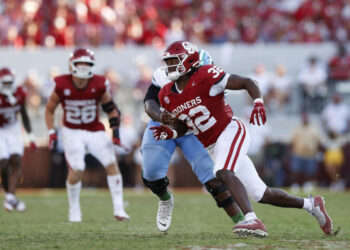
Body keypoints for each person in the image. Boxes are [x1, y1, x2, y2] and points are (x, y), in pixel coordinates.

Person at [151, 41, 333, 235]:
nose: (169, 66)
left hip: (230, 131)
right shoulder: (166, 94)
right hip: (213, 145)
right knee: (262, 194)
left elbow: (248, 82)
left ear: (189, 61)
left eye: (173, 61)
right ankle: (312, 204)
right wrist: (172, 132)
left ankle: (252, 221)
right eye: (167, 62)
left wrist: (258, 102)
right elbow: (184, 125)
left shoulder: (205, 75)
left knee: (222, 171)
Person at [142, 50, 248, 234]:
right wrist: (161, 116)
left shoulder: (212, 83)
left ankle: (242, 222)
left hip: (194, 130)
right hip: (164, 125)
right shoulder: (164, 76)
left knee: (213, 177)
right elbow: (149, 102)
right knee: (151, 172)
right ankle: (165, 199)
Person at [45, 48, 129, 222]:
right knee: (77, 169)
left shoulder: (98, 83)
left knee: (111, 162)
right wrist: (51, 131)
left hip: (94, 129)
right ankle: (74, 209)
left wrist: (116, 133)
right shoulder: (62, 84)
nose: (83, 67)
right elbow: (49, 109)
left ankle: (119, 209)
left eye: (87, 64)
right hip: (71, 130)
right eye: (79, 63)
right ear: (72, 65)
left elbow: (111, 109)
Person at [0, 67, 37, 212]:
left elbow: (24, 115)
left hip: (13, 128)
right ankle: (11, 198)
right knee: (3, 162)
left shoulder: (20, 93)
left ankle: (10, 198)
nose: (8, 87)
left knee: (16, 159)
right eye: (5, 83)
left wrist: (31, 136)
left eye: (10, 83)